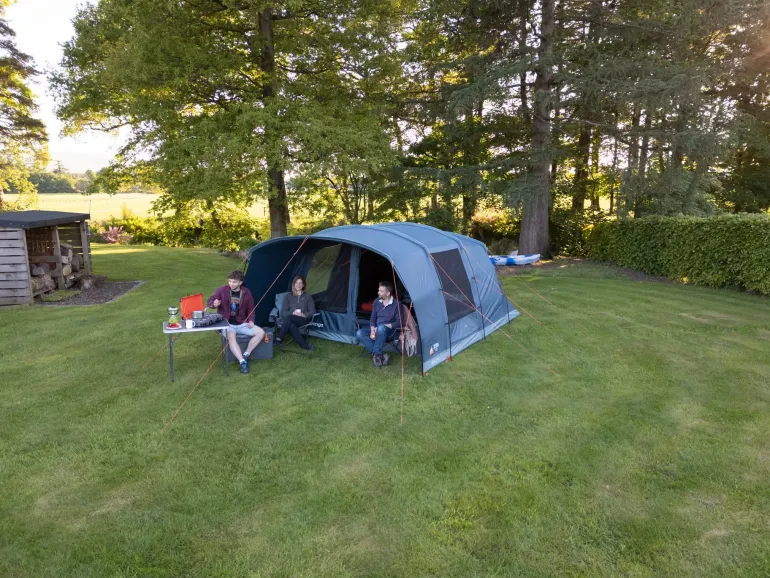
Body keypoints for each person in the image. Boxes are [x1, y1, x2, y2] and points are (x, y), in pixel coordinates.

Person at [207, 270, 265, 374]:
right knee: (231, 337)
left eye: (234, 282)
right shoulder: (221, 290)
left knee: (261, 332)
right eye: (229, 281)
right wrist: (214, 304)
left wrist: (251, 320)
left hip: (242, 323)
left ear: (240, 282)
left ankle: (246, 354)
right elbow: (210, 301)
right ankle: (242, 362)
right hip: (227, 323)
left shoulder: (246, 292)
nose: (231, 284)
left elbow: (251, 308)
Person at [355, 281, 403, 367]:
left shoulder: (397, 304)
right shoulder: (377, 302)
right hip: (377, 329)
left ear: (388, 293)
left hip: (390, 332)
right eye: (378, 290)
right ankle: (380, 355)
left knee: (381, 327)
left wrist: (385, 326)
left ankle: (377, 357)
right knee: (359, 333)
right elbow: (373, 318)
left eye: (381, 291)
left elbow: (400, 323)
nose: (378, 292)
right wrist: (372, 328)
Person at [275, 276, 316, 351]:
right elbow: (284, 311)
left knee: (289, 318)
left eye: (300, 283)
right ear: (293, 284)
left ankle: (278, 339)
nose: (298, 285)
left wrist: (303, 314)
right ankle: (305, 345)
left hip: (304, 319)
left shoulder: (308, 297)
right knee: (291, 325)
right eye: (296, 283)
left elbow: (313, 311)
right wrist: (293, 314)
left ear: (303, 285)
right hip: (290, 318)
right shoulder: (288, 296)